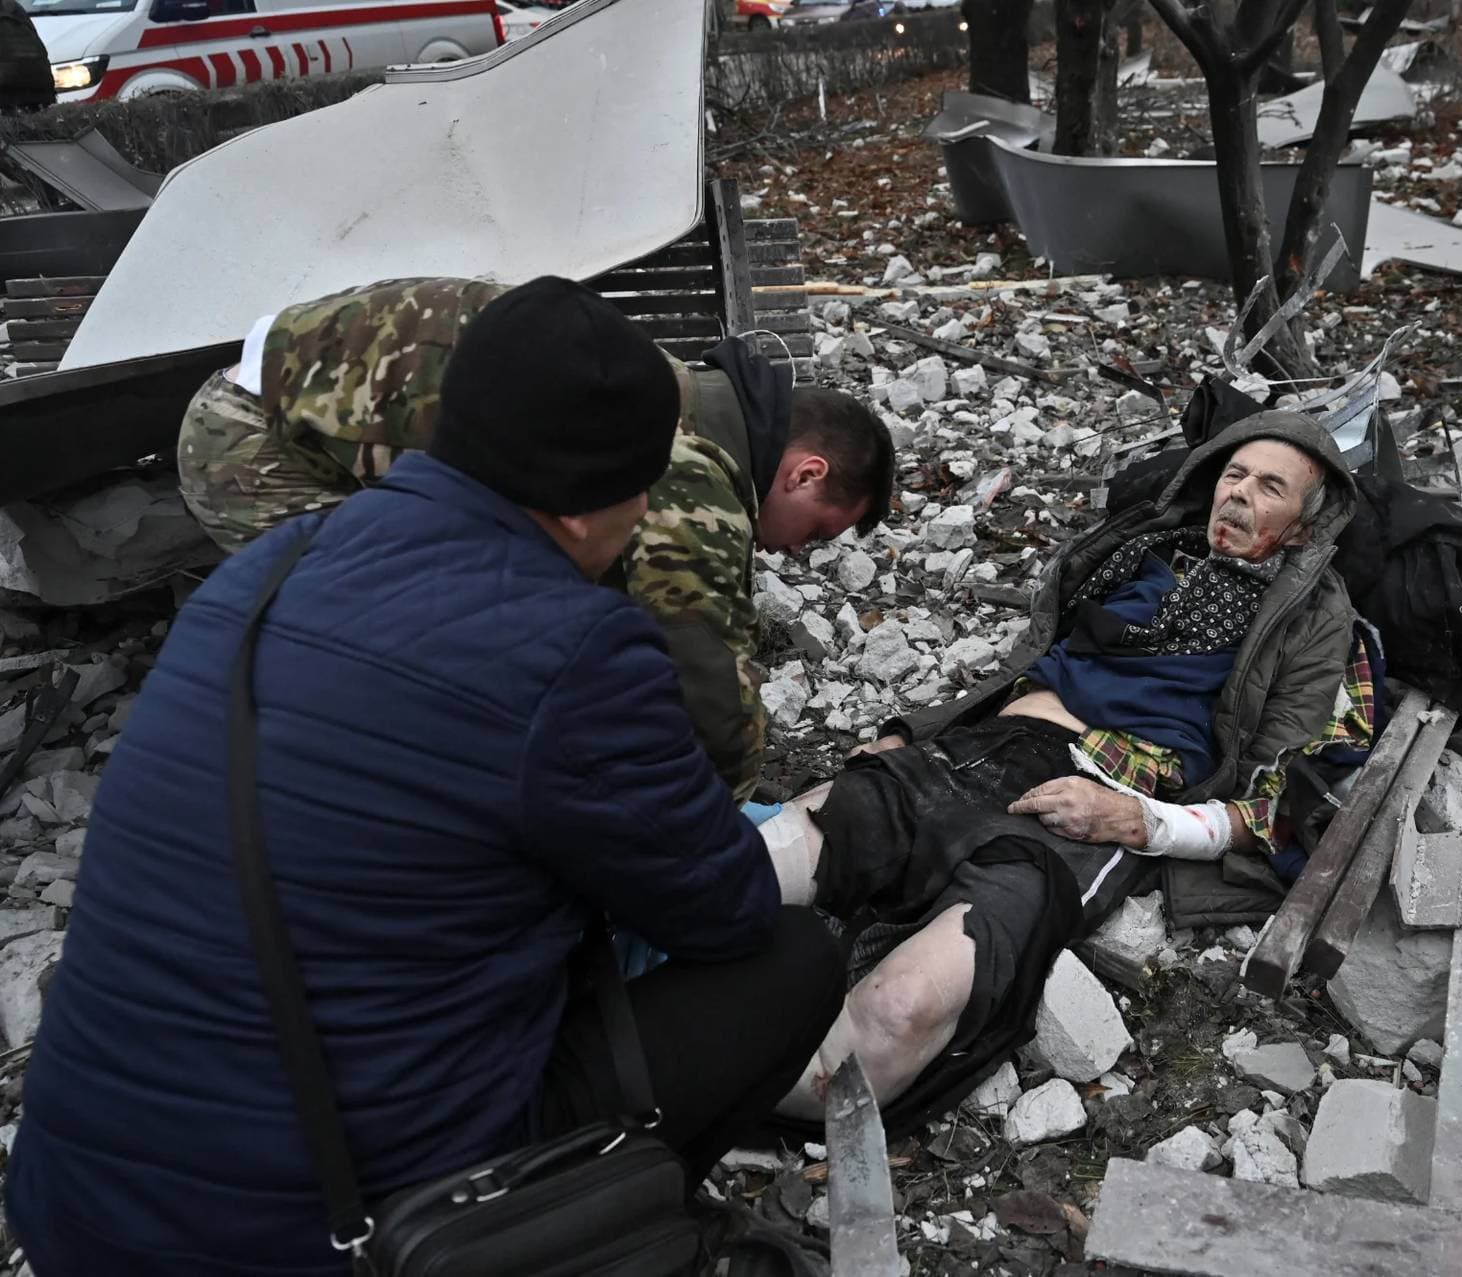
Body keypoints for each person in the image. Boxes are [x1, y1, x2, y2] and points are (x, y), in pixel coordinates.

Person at [5, 278, 846, 1276]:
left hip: (75, 1211)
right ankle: (584, 1225)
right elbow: (727, 909)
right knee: (793, 960)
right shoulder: (576, 649)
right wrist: (836, 831)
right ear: (593, 507)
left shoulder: (258, 570)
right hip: (328, 1238)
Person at [748, 412, 1378, 1126]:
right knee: (761, 860)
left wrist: (1144, 821)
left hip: (1089, 804)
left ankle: (711, 1104)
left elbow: (1288, 798)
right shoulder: (1140, 553)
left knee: (899, 1009)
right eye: (1233, 474)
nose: (1238, 495)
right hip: (986, 747)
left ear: (1302, 527)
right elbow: (1020, 666)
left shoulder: (1318, 622)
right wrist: (907, 733)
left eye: (1270, 487)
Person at [175, 275, 895, 798]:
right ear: (804, 473)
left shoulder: (677, 397)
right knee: (389, 659)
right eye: (819, 533)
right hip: (256, 440)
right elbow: (703, 674)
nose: (795, 553)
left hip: (290, 396)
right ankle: (298, 789)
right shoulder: (694, 466)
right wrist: (725, 817)